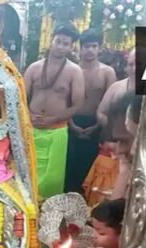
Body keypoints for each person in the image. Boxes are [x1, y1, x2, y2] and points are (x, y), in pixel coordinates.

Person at [24, 24, 85, 200]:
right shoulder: (34, 68)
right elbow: (21, 96)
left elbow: (77, 104)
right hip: (31, 128)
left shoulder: (74, 71)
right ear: (51, 40)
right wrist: (28, 115)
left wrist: (53, 119)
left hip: (57, 130)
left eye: (66, 43)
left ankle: (48, 217)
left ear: (71, 46)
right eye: (58, 41)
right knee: (27, 173)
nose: (60, 46)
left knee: (52, 179)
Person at [65, 29, 116, 194]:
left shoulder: (107, 72)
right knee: (68, 164)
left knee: (90, 166)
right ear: (80, 48)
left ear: (100, 48)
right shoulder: (71, 70)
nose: (90, 50)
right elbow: (64, 99)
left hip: (96, 124)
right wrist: (71, 124)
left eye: (94, 46)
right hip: (71, 121)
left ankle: (86, 205)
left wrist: (96, 127)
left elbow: (110, 104)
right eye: (86, 46)